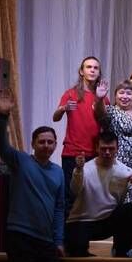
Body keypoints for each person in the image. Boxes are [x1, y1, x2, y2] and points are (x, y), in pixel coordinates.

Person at [0, 90, 63, 262]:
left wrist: (59, 240)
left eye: (50, 142)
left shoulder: (58, 172)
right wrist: (3, 116)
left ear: (55, 145)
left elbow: (59, 208)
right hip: (20, 237)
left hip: (46, 241)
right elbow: (0, 146)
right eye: (41, 141)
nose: (46, 145)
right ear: (33, 144)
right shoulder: (21, 161)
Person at [95, 79, 132, 257]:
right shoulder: (112, 112)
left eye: (129, 93)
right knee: (123, 206)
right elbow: (100, 115)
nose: (125, 96)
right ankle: (121, 246)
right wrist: (99, 99)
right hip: (121, 165)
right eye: (121, 93)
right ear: (115, 96)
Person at [65, 131, 132, 257]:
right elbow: (74, 190)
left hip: (107, 221)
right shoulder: (84, 169)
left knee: (131, 209)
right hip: (82, 221)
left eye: (111, 149)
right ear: (97, 148)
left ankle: (122, 251)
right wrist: (78, 170)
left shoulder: (126, 172)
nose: (107, 152)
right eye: (103, 149)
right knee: (77, 255)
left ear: (117, 149)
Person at [52, 56, 107, 218]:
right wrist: (63, 108)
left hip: (95, 154)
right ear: (81, 72)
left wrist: (100, 100)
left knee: (90, 198)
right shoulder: (70, 93)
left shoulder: (102, 96)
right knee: (70, 198)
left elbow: (104, 121)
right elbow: (55, 117)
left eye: (96, 68)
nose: (92, 70)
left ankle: (84, 232)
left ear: (99, 72)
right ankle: (66, 232)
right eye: (89, 67)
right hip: (72, 152)